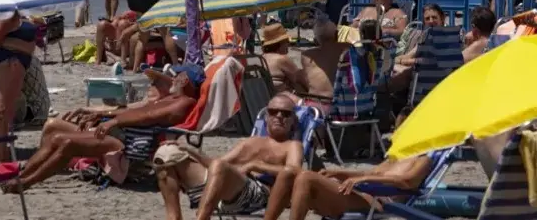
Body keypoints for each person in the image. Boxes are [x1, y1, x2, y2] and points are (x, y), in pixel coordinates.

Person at [2, 65, 204, 193]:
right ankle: (22, 175)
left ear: (185, 80)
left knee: (67, 142)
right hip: (122, 132)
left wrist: (113, 122)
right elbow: (135, 111)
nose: (174, 78)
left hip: (128, 143)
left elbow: (149, 117)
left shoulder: (185, 101)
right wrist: (103, 115)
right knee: (55, 136)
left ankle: (26, 183)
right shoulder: (170, 98)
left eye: (178, 75)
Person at [156, 95, 303, 220]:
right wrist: (190, 151)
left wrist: (255, 166)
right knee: (167, 154)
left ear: (293, 120)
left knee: (220, 166)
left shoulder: (292, 145)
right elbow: (215, 165)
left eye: (285, 113)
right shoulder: (250, 142)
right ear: (266, 117)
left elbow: (295, 171)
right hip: (226, 188)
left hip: (258, 195)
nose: (279, 116)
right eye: (273, 112)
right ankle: (174, 217)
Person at [272, 149, 440, 220]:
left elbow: (407, 181)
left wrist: (365, 180)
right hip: (361, 193)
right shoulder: (395, 157)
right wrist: (338, 172)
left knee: (306, 177)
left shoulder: (423, 159)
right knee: (289, 173)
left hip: (378, 201)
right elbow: (370, 174)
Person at [0, 15, 36, 162]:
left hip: (15, 60)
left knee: (7, 112)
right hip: (9, 60)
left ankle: (0, 155)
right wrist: (19, 46)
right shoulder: (6, 12)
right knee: (0, 109)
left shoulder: (15, 11)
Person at [299, 18, 350, 112]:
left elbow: (306, 81)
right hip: (340, 105)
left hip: (314, 105)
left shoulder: (307, 56)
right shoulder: (346, 52)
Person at [261, 23, 307, 95]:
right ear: (280, 43)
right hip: (281, 98)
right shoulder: (281, 59)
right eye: (286, 41)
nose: (288, 43)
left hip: (265, 96)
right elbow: (301, 80)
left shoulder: (262, 58)